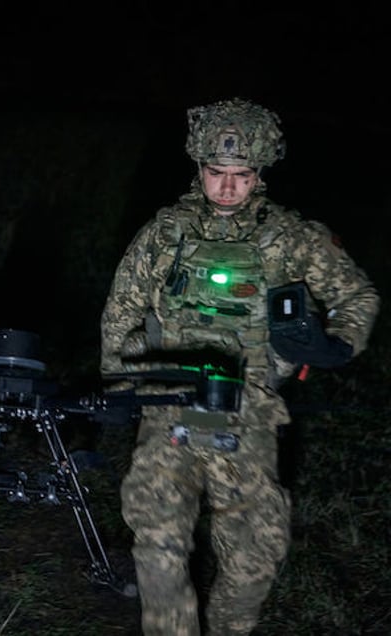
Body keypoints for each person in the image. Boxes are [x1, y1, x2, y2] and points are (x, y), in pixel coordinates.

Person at [99, 97, 379, 634]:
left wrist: (338, 344)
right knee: (159, 547)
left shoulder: (291, 238)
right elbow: (121, 313)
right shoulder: (166, 235)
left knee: (255, 555)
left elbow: (356, 296)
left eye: (241, 175)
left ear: (259, 174)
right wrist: (125, 383)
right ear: (199, 168)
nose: (227, 187)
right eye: (216, 173)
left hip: (249, 411)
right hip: (171, 407)